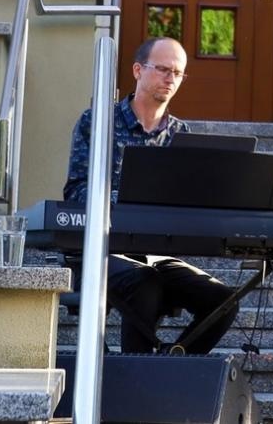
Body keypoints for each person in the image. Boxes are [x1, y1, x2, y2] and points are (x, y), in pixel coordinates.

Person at [61, 36, 236, 355]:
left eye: (178, 73)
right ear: (138, 70)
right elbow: (76, 191)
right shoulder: (97, 122)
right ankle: (135, 377)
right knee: (145, 284)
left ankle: (172, 365)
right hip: (102, 249)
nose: (171, 79)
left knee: (223, 300)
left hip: (157, 255)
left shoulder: (181, 136)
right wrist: (129, 201)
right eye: (163, 69)